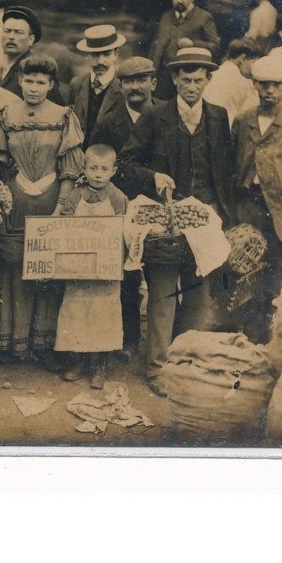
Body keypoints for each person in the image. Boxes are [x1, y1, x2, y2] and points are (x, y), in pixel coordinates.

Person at [119, 47, 236, 391]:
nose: (192, 86)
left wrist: (225, 217)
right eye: (185, 79)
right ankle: (156, 368)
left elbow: (225, 172)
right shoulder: (156, 116)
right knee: (163, 294)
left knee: (199, 296)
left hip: (204, 221)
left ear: (208, 80)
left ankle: (187, 364)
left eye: (199, 80)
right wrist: (153, 176)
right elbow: (125, 164)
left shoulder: (217, 116)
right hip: (164, 222)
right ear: (173, 79)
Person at [0, 54, 85, 365]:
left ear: (51, 85)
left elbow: (69, 169)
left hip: (50, 200)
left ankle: (43, 344)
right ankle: (12, 343)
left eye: (40, 82)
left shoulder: (62, 116)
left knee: (46, 271)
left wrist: (60, 207)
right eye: (28, 81)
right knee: (13, 268)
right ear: (19, 81)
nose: (33, 87)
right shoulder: (7, 115)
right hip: (15, 199)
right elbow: (0, 160)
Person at [92, 56, 159, 357]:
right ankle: (128, 338)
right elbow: (96, 158)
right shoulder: (109, 121)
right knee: (127, 275)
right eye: (129, 81)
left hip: (155, 205)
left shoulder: (164, 114)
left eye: (141, 79)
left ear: (153, 83)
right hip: (120, 203)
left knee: (159, 273)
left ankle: (161, 341)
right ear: (120, 86)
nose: (135, 87)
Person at [232, 55, 282, 342]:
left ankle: (279, 338)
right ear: (254, 86)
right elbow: (232, 162)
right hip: (251, 206)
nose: (269, 91)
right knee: (249, 272)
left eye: (276, 85)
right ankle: (251, 337)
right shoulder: (244, 119)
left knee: (280, 273)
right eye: (263, 85)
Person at [54, 145, 129, 389]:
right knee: (76, 313)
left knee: (102, 316)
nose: (98, 174)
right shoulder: (75, 196)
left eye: (104, 169)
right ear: (84, 169)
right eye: (93, 168)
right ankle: (77, 360)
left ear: (113, 171)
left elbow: (125, 234)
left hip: (105, 270)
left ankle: (99, 365)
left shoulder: (118, 198)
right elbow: (64, 224)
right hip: (78, 267)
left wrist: (115, 259)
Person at [149, 0, 220, 99]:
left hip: (185, 78)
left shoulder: (204, 17)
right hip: (161, 77)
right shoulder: (166, 16)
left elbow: (215, 47)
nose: (179, 0)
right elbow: (156, 45)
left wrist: (193, 43)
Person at [67, 24, 126, 148]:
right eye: (94, 54)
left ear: (116, 54)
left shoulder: (124, 87)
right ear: (86, 55)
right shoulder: (76, 84)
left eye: (106, 54)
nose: (100, 61)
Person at [0, 5, 64, 106]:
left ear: (30, 40)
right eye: (7, 31)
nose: (11, 37)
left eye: (18, 33)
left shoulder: (39, 68)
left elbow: (56, 112)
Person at [202, 37, 266, 126]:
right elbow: (253, 118)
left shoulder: (212, 75)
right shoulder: (245, 83)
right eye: (255, 61)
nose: (257, 67)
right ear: (243, 59)